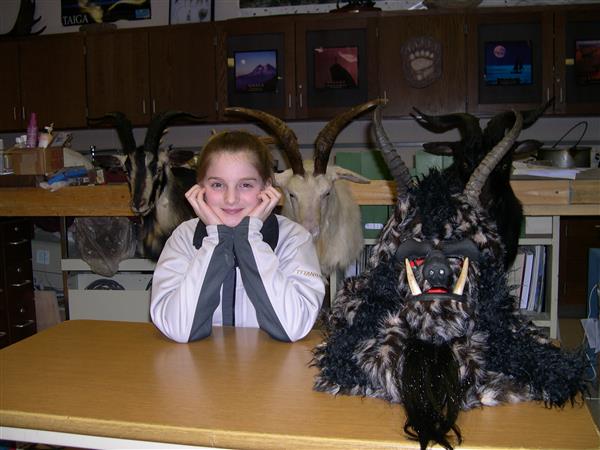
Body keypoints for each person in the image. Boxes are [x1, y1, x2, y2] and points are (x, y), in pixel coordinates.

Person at [150, 130, 325, 343]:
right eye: (217, 185)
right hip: (201, 369)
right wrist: (216, 240)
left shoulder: (294, 239)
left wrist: (250, 238)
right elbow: (178, 328)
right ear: (200, 188)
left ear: (267, 187)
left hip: (271, 371)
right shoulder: (183, 239)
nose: (231, 199)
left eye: (246, 185)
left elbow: (294, 327)